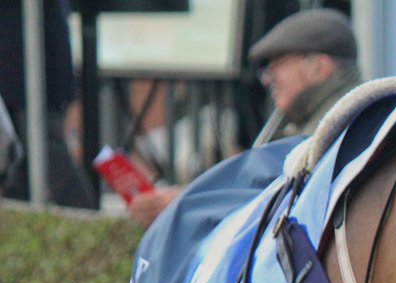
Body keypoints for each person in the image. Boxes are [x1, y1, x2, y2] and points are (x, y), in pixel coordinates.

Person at [129, 8, 362, 227]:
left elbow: (275, 199)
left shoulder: (332, 126)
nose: (268, 79)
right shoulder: (332, 117)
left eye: (277, 66)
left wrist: (186, 204)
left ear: (318, 68)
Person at [0, 0, 96, 208]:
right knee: (17, 169)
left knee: (48, 156)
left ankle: (90, 227)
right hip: (16, 65)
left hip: (34, 65)